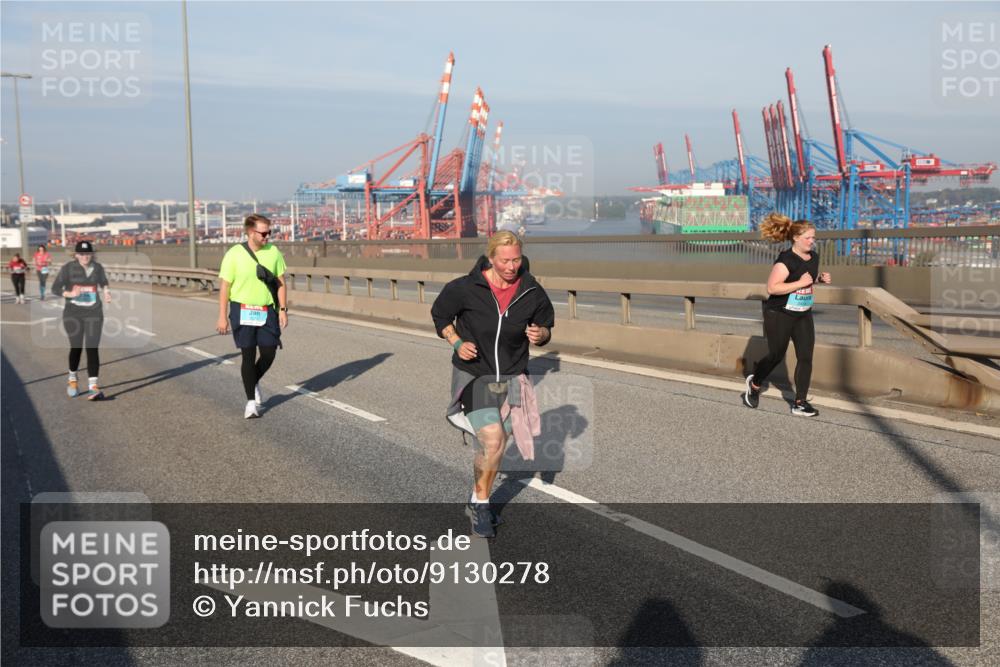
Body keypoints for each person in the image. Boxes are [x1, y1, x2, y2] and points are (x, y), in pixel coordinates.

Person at [431, 230, 555, 538]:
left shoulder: (531, 291)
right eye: (505, 261)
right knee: (494, 439)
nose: (512, 266)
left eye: (516, 259)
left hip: (513, 377)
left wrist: (541, 335)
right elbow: (440, 315)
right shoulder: (465, 288)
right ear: (491, 258)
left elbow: (547, 325)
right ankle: (483, 506)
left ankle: (475, 498)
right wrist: (456, 340)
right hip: (476, 374)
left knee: (494, 445)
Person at [743, 213, 831, 417]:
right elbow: (773, 288)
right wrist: (801, 283)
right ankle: (755, 383)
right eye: (808, 238)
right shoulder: (785, 260)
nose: (812, 241)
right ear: (796, 238)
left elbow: (805, 279)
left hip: (802, 313)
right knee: (776, 355)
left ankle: (799, 402)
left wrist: (818, 279)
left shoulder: (814, 257)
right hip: (779, 313)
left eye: (814, 237)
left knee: (806, 357)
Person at [216, 214, 288, 419]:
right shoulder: (234, 254)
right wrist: (222, 316)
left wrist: (283, 309)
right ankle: (250, 403)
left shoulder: (273, 252)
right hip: (242, 310)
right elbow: (225, 287)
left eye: (269, 232)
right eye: (263, 233)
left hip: (267, 310)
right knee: (248, 356)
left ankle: (252, 380)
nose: (267, 236)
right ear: (250, 232)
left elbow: (281, 282)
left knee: (268, 353)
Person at [50, 240, 112, 400]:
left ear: (92, 254)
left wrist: (106, 292)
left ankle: (93, 387)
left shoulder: (97, 268)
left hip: (94, 313)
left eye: (88, 253)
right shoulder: (68, 269)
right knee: (76, 347)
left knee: (92, 348)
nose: (85, 256)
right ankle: (72, 378)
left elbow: (104, 282)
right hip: (73, 314)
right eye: (82, 254)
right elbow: (55, 289)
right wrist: (69, 294)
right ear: (76, 255)